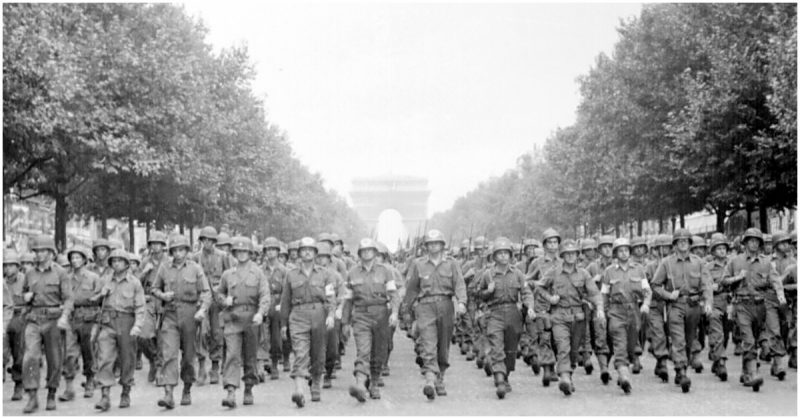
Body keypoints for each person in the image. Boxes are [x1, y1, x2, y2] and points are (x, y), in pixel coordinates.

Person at [402, 229, 467, 400]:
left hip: (446, 305)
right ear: (426, 246)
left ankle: (440, 377)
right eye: (430, 244)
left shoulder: (452, 264)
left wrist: (461, 302)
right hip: (425, 307)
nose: (434, 246)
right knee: (428, 343)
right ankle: (430, 379)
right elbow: (412, 288)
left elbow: (459, 284)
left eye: (436, 243)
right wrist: (406, 310)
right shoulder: (418, 264)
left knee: (443, 347)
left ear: (442, 245)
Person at [151, 234, 212, 408]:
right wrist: (163, 295)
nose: (178, 254)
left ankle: (187, 387)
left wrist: (202, 310)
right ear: (171, 252)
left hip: (190, 314)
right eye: (175, 250)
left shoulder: (195, 268)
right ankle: (168, 393)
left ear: (186, 251)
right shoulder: (164, 268)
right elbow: (154, 288)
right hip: (170, 314)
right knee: (168, 354)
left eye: (181, 250)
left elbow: (206, 292)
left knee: (188, 356)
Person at [722, 228, 785, 391]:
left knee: (756, 340)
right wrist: (738, 277)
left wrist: (780, 294)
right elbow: (724, 281)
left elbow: (775, 280)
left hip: (760, 305)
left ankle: (745, 370)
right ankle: (752, 372)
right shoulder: (735, 261)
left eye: (757, 241)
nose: (754, 243)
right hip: (742, 305)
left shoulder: (766, 262)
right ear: (745, 243)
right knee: (748, 340)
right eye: (751, 240)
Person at [650, 228, 713, 393]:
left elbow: (706, 284)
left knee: (689, 340)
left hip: (694, 306)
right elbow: (655, 285)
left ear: (690, 243)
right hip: (676, 305)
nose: (683, 243)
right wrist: (669, 295)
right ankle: (682, 371)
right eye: (680, 241)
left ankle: (680, 366)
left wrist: (708, 303)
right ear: (675, 244)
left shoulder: (699, 262)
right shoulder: (667, 263)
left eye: (686, 240)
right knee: (678, 339)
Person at [539, 239, 602, 396]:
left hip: (578, 317)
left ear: (577, 255)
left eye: (573, 253)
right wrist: (549, 298)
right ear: (562, 255)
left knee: (574, 352)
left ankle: (569, 373)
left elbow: (594, 293)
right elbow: (539, 287)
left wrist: (599, 308)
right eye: (567, 254)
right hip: (559, 316)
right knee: (563, 347)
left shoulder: (584, 274)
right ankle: (564, 377)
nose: (570, 257)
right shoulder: (554, 272)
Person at [280, 237, 337, 407]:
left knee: (318, 352)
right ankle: (298, 389)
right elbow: (285, 301)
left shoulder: (325, 274)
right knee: (300, 352)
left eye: (310, 250)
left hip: (318, 313)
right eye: (303, 250)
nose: (307, 252)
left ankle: (316, 383)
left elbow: (330, 297)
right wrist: (283, 324)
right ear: (298, 254)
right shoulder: (291, 275)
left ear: (315, 254)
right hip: (297, 315)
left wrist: (331, 315)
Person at [20, 235, 74, 413]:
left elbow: (68, 299)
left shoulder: (61, 273)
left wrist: (64, 317)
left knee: (54, 358)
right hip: (34, 319)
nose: (40, 254)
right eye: (37, 251)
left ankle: (51, 393)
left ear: (51, 252)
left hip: (53, 320)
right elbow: (24, 295)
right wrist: (26, 298)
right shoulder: (29, 273)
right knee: (30, 357)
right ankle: (32, 396)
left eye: (43, 251)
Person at [476, 237, 535, 399]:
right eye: (499, 253)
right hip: (494, 313)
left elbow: (526, 292)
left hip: (513, 313)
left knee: (511, 349)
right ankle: (499, 378)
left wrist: (529, 307)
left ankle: (505, 374)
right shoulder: (488, 274)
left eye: (506, 253)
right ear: (494, 256)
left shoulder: (517, 274)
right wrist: (488, 291)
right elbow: (479, 295)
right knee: (496, 346)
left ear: (510, 255)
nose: (503, 256)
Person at [341, 238, 400, 402]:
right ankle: (360, 384)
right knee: (363, 351)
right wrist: (345, 322)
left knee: (378, 351)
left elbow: (393, 295)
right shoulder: (352, 273)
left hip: (381, 315)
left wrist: (394, 313)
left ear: (375, 253)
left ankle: (373, 383)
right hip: (361, 315)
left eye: (370, 250)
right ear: (359, 254)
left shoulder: (386, 271)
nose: (366, 253)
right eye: (363, 251)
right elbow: (348, 299)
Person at [215, 236, 270, 408]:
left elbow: (265, 295)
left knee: (250, 356)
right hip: (233, 319)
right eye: (238, 251)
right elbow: (218, 294)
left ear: (251, 253)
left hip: (252, 319)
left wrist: (261, 313)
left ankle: (248, 387)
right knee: (231, 354)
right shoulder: (228, 274)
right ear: (234, 253)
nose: (241, 254)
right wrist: (225, 301)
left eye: (245, 251)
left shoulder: (258, 273)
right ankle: (231, 391)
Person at [92, 249, 146, 411]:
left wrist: (137, 325)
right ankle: (105, 395)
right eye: (114, 261)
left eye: (120, 261)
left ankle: (125, 391)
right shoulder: (104, 280)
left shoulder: (134, 282)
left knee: (127, 358)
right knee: (105, 357)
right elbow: (93, 300)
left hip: (127, 322)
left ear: (126, 264)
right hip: (108, 321)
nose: (116, 264)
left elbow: (140, 306)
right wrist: (101, 294)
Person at [600, 238, 652, 394]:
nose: (624, 253)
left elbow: (647, 291)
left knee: (631, 346)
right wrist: (601, 311)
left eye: (626, 250)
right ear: (615, 253)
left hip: (634, 311)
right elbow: (604, 295)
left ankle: (624, 368)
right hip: (616, 311)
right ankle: (623, 375)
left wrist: (646, 304)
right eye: (620, 250)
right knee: (619, 343)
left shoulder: (639, 269)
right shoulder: (609, 271)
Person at [59, 245, 103, 402]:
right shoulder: (66, 278)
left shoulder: (93, 277)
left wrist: (94, 300)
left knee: (88, 352)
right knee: (69, 354)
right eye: (72, 258)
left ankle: (90, 381)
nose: (75, 260)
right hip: (72, 318)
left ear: (85, 259)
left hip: (89, 318)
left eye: (78, 257)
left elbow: (101, 298)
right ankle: (69, 387)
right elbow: (61, 296)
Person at [192, 226, 231, 386]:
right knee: (201, 333)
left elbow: (230, 276)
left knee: (217, 333)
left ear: (214, 242)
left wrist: (226, 295)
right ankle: (202, 365)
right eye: (204, 240)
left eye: (210, 240)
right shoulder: (195, 258)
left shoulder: (223, 257)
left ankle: (215, 366)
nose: (207, 243)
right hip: (202, 299)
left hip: (217, 301)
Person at [525, 228, 562, 386]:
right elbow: (526, 282)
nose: (553, 246)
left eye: (555, 242)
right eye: (550, 242)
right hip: (542, 306)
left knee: (557, 339)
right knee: (545, 337)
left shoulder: (563, 262)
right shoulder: (537, 263)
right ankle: (547, 368)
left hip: (560, 307)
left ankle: (553, 367)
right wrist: (530, 304)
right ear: (544, 245)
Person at [137, 231, 170, 383]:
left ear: (163, 246)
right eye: (153, 244)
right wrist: (144, 272)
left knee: (163, 338)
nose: (155, 247)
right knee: (143, 336)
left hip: (165, 302)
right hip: (149, 301)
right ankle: (153, 359)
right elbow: (135, 283)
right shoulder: (145, 261)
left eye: (158, 244)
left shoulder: (169, 262)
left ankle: (160, 368)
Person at [314, 241, 344, 389]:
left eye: (324, 257)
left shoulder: (336, 276)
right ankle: (316, 373)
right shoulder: (310, 275)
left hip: (331, 312)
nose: (321, 260)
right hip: (315, 313)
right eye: (318, 257)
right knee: (315, 345)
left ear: (329, 259)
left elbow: (342, 294)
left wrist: (338, 309)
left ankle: (329, 371)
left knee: (332, 347)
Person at [706, 233, 732, 381]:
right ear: (713, 251)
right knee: (717, 331)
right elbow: (705, 284)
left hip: (729, 303)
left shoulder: (732, 264)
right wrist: (712, 287)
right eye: (718, 248)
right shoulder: (708, 267)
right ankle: (721, 362)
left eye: (724, 248)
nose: (722, 251)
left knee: (726, 334)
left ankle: (716, 359)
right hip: (714, 301)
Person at [262, 237, 288, 380]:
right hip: (265, 303)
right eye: (268, 249)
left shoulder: (283, 270)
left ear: (278, 252)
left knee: (276, 338)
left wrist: (282, 307)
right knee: (263, 336)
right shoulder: (261, 270)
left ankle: (274, 362)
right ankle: (265, 362)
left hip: (278, 304)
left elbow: (286, 291)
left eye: (273, 249)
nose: (270, 252)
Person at [4, 250, 26, 402]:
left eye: (11, 265)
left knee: (19, 353)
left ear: (18, 267)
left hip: (20, 317)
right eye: (5, 265)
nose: (8, 269)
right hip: (4, 317)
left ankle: (19, 383)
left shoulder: (25, 280)